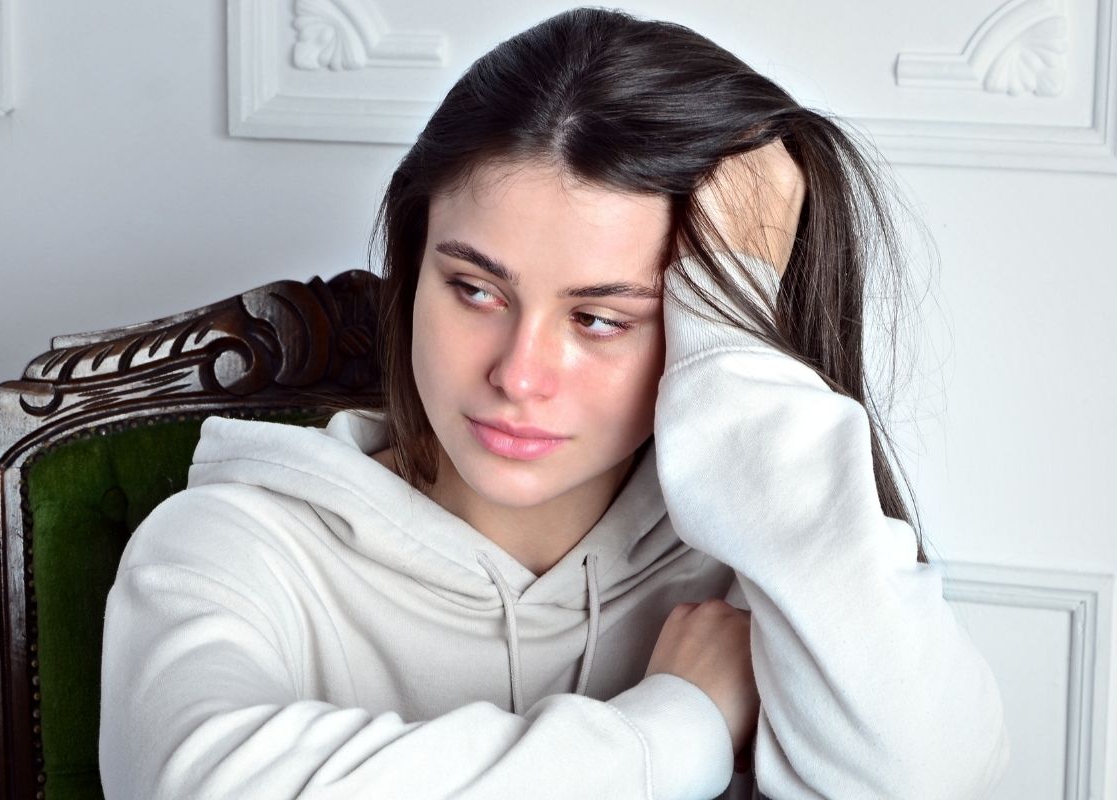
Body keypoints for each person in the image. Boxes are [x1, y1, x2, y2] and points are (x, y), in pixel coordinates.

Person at [98, 7, 1010, 799]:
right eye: (476, 292)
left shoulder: (765, 565)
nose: (519, 374)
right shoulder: (232, 546)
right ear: (413, 273)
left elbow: (930, 783)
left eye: (604, 318)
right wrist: (676, 729)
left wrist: (740, 349)